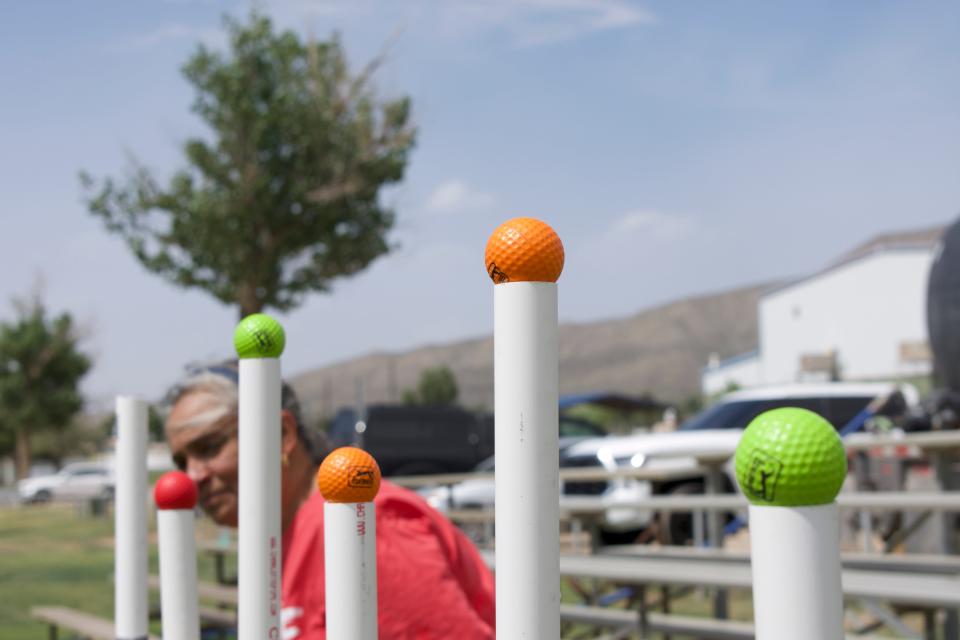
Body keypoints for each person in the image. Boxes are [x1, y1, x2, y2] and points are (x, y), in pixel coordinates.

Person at [163, 363, 495, 639]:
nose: (191, 478)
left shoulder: (363, 525)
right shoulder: (281, 536)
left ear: (281, 435)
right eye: (182, 462)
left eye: (208, 448)